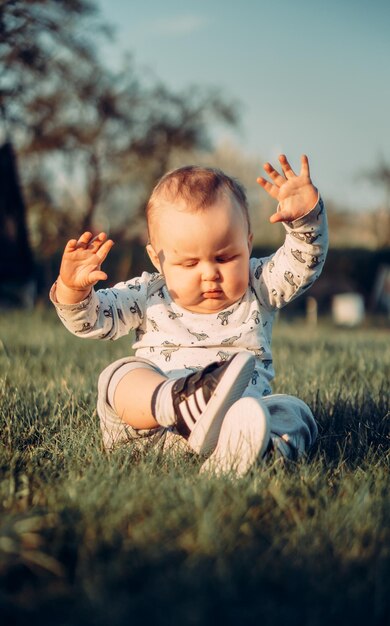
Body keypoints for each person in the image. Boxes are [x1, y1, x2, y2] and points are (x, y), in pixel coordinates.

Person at [50, 154, 328, 476]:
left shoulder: (259, 284)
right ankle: (176, 402)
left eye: (225, 257)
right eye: (189, 264)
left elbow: (301, 265)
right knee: (118, 375)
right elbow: (92, 320)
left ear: (248, 246)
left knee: (295, 413)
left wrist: (306, 221)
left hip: (233, 425)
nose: (209, 273)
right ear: (158, 261)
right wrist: (73, 289)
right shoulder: (147, 294)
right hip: (153, 433)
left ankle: (251, 452)